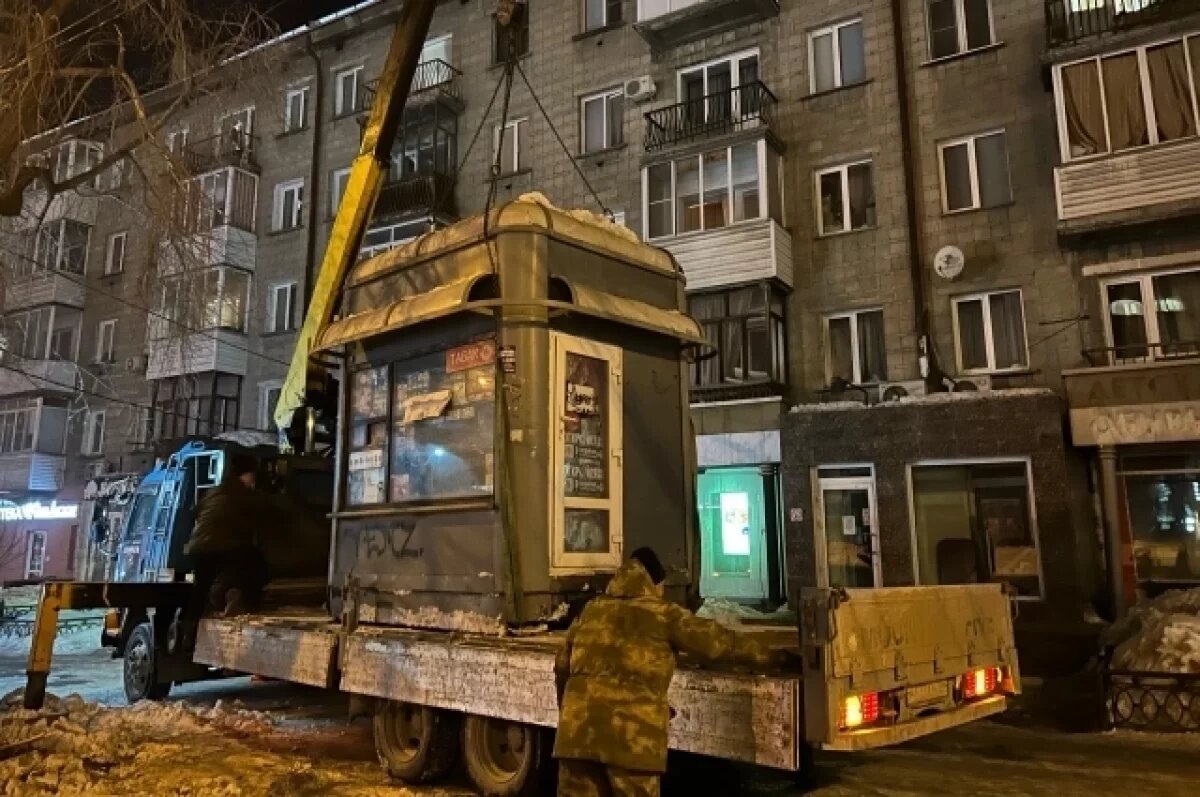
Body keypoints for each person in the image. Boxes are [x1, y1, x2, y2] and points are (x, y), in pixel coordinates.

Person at [554, 547, 781, 797]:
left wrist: (570, 714)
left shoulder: (591, 610)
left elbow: (562, 666)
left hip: (576, 738)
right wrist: (772, 657)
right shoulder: (664, 615)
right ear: (654, 582)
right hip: (632, 741)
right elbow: (718, 643)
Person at [184, 453, 268, 617]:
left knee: (201, 588)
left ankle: (189, 627)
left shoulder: (216, 490)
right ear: (249, 474)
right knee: (256, 564)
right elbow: (261, 516)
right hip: (222, 546)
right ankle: (245, 603)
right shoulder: (243, 494)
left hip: (198, 547)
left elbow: (194, 511)